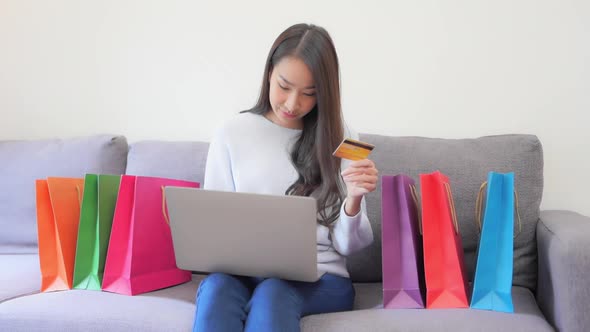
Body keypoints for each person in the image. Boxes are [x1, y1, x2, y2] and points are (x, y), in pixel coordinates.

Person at [193, 23, 379, 332]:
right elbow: (214, 232)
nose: (293, 104)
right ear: (268, 73)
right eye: (284, 86)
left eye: (309, 94)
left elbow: (350, 246)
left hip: (320, 277)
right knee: (216, 291)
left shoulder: (347, 138)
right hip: (242, 273)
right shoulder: (230, 133)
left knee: (273, 293)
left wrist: (354, 200)